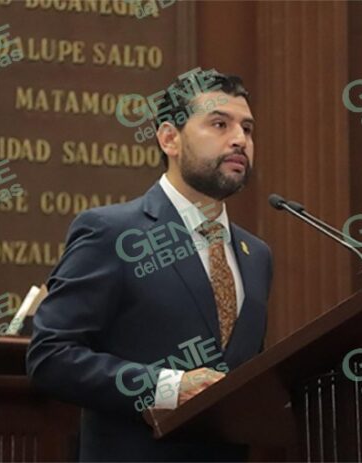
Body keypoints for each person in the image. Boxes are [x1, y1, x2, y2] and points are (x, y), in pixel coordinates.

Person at [26, 69, 273, 461]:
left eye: (247, 128)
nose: (239, 139)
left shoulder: (256, 255)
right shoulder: (112, 233)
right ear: (169, 138)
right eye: (219, 124)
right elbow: (51, 356)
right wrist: (166, 387)